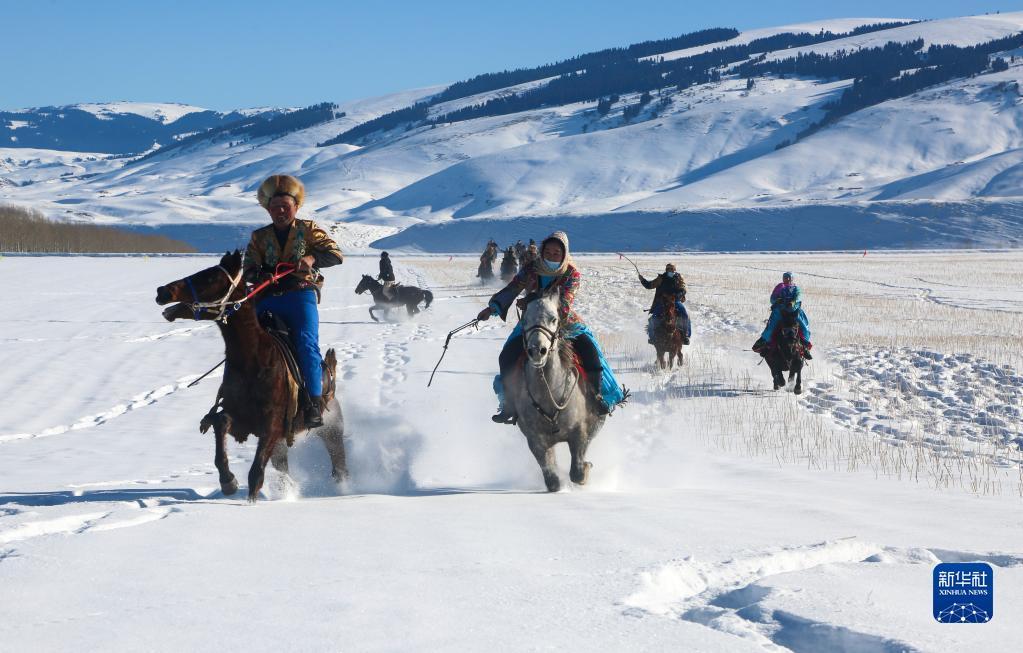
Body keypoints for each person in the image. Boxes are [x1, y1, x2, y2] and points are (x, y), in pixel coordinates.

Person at [477, 231, 626, 423]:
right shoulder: (531, 269)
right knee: (506, 356)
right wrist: (493, 308)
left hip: (563, 322)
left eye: (556, 253)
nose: (551, 256)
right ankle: (511, 403)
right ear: (542, 251)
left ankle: (595, 397)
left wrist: (533, 298)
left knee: (590, 353)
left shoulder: (571, 273)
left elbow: (564, 303)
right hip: (531, 323)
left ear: (564, 254)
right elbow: (513, 288)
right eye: (548, 251)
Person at [243, 174, 344, 427]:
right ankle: (236, 402)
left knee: (306, 344)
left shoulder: (308, 230)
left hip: (300, 296)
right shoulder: (259, 237)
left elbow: (335, 255)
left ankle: (312, 404)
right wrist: (259, 273)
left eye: (285, 207)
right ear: (268, 209)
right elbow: (248, 267)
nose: (279, 211)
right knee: (244, 344)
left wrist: (311, 259)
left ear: (296, 207)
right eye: (274, 207)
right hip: (266, 298)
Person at [752, 271, 812, 359]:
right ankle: (764, 343)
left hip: (794, 311)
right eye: (785, 277)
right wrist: (777, 300)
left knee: (804, 328)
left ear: (792, 279)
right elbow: (772, 298)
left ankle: (805, 346)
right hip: (780, 311)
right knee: (771, 327)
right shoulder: (779, 287)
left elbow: (798, 296)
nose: (786, 279)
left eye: (788, 277)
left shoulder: (796, 288)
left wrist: (793, 302)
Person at [640, 263, 691, 345]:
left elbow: (683, 289)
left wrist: (677, 295)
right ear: (666, 270)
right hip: (662, 302)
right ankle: (652, 337)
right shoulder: (661, 278)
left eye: (672, 269)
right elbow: (649, 285)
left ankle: (685, 336)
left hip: (675, 301)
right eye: (668, 269)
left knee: (684, 314)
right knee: (653, 318)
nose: (670, 271)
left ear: (674, 270)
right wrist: (642, 280)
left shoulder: (679, 278)